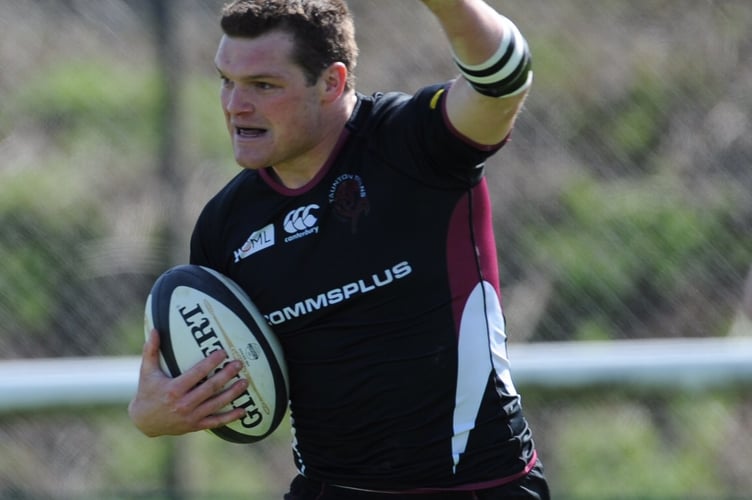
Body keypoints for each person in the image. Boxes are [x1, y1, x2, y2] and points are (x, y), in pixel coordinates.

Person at [129, 0, 549, 498]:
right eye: (226, 80)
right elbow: (229, 380)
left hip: (480, 487)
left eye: (263, 85)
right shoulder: (226, 225)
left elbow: (502, 80)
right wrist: (156, 412)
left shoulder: (414, 144)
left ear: (330, 82)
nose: (234, 105)